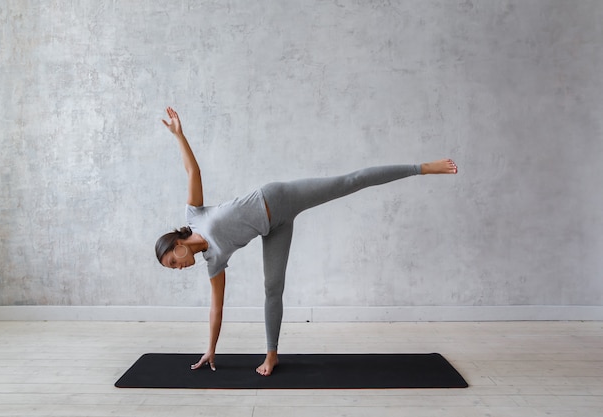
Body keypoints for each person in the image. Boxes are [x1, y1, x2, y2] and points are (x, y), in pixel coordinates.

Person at [155, 106, 458, 376]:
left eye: (173, 262)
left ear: (177, 246)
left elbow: (192, 170)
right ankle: (272, 354)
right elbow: (216, 310)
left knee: (349, 182)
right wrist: (211, 349)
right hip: (274, 229)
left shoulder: (195, 216)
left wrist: (179, 136)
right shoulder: (214, 262)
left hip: (276, 197)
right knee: (273, 289)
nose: (178, 268)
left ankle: (422, 167)